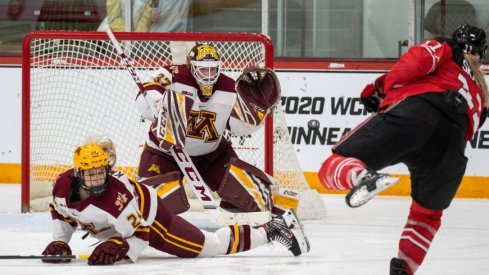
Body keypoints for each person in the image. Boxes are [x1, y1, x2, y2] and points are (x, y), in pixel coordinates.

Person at [317, 24, 487, 275]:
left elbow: (414, 63)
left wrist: (383, 90)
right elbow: (471, 127)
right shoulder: (483, 93)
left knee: (334, 165)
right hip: (452, 147)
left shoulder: (446, 47)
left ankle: (362, 176)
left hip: (418, 114)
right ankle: (404, 270)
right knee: (427, 216)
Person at [41, 137, 309, 265]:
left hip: (152, 219)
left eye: (101, 172)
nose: (98, 179)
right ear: (77, 174)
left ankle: (273, 229)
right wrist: (60, 240)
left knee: (209, 247)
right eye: (91, 174)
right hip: (119, 223)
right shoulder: (62, 188)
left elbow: (142, 233)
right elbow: (61, 213)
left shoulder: (117, 200)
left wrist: (120, 246)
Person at [134, 43, 297, 222]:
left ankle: (269, 202)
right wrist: (157, 104)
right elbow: (146, 94)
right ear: (191, 66)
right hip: (165, 152)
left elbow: (237, 128)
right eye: (204, 70)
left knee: (254, 201)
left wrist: (258, 111)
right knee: (149, 208)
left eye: (213, 69)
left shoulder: (228, 87)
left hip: (211, 154)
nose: (209, 76)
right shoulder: (173, 74)